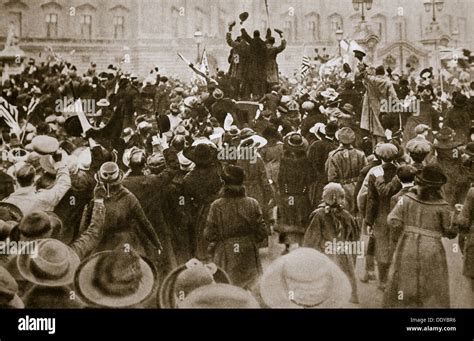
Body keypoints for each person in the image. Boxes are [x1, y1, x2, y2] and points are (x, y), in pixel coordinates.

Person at [383, 165, 457, 308]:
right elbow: (450, 232)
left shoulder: (407, 199)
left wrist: (407, 228)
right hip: (432, 249)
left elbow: (392, 220)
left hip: (407, 246)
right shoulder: (442, 205)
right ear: (439, 186)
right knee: (432, 285)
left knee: (404, 281)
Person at [204, 165, 268, 289]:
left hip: (225, 252)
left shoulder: (216, 205)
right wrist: (250, 241)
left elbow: (209, 234)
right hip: (248, 251)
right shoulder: (252, 203)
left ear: (224, 183)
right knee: (250, 288)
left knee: (228, 288)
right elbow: (262, 232)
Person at [303, 183, 360, 303]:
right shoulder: (347, 216)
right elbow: (354, 239)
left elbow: (311, 239)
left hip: (326, 253)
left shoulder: (318, 215)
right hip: (343, 253)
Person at [365, 143, 400, 290]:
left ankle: (383, 279)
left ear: (379, 156)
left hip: (381, 213)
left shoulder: (375, 173)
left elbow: (372, 199)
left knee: (382, 246)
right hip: (398, 212)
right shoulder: (401, 171)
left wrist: (369, 220)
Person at [276, 133, 312, 251]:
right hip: (301, 194)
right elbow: (309, 178)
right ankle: (302, 244)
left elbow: (281, 178)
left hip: (287, 193)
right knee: (301, 218)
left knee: (287, 217)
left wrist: (284, 191)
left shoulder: (285, 160)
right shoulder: (306, 161)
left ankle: (287, 245)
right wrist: (304, 190)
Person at [3, 161, 71, 216]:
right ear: (34, 180)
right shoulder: (44, 197)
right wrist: (59, 163)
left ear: (16, 180)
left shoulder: (6, 203)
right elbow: (64, 183)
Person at [326, 127, 367, 215]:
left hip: (342, 188)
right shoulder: (360, 154)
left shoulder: (333, 155)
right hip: (358, 187)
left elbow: (331, 177)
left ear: (339, 140)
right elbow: (365, 172)